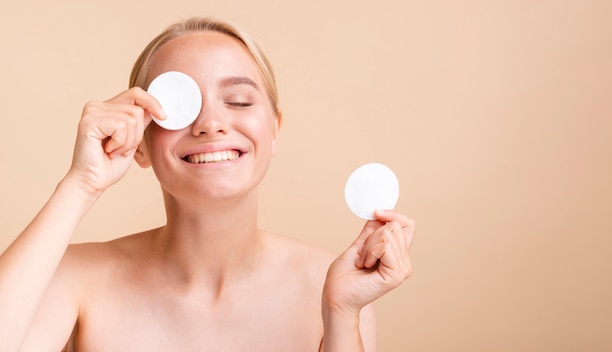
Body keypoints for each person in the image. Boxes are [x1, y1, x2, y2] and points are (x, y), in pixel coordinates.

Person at [0, 17, 415, 352]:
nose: (211, 124)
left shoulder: (329, 285)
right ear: (140, 143)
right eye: (180, 107)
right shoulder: (73, 278)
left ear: (274, 131)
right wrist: (81, 184)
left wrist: (341, 314)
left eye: (238, 101)